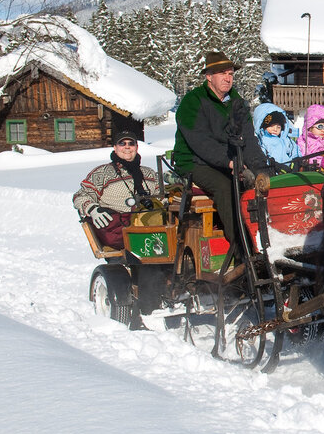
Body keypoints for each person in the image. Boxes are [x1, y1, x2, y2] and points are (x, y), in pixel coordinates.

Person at [173, 51, 270, 268]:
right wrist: (230, 162)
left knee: (260, 185)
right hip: (194, 161)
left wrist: (261, 168)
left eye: (230, 73)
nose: (228, 78)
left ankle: (266, 243)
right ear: (208, 76)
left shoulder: (237, 103)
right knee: (227, 187)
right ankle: (242, 251)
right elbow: (200, 142)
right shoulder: (193, 101)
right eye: (221, 73)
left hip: (229, 159)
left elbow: (249, 140)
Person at [73, 125, 165, 327]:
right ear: (115, 148)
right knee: (150, 261)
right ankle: (149, 312)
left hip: (149, 227)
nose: (127, 147)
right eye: (122, 144)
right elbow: (81, 196)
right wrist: (93, 209)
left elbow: (166, 193)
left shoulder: (149, 174)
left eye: (131, 143)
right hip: (117, 228)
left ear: (136, 148)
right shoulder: (102, 174)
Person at [252, 101, 299, 168]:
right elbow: (260, 156)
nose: (275, 129)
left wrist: (296, 160)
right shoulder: (262, 141)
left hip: (288, 170)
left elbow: (294, 150)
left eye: (278, 127)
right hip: (272, 171)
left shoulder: (286, 140)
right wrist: (271, 163)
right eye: (271, 126)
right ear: (264, 126)